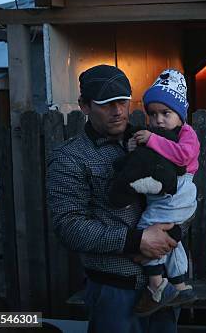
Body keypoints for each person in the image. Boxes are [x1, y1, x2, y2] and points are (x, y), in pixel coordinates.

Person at [46, 64, 181, 333]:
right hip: (114, 290)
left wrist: (172, 235)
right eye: (106, 104)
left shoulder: (153, 141)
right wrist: (137, 241)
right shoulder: (70, 158)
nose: (118, 110)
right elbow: (68, 227)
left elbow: (181, 195)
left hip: (165, 286)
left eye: (123, 101)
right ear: (84, 106)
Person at [127, 69, 200, 315]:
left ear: (180, 115)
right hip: (164, 193)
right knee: (169, 237)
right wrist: (134, 147)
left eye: (166, 113)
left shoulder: (186, 134)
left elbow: (183, 156)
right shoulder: (157, 134)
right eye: (153, 114)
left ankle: (157, 285)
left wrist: (151, 141)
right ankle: (180, 285)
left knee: (147, 228)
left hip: (179, 190)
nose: (158, 120)